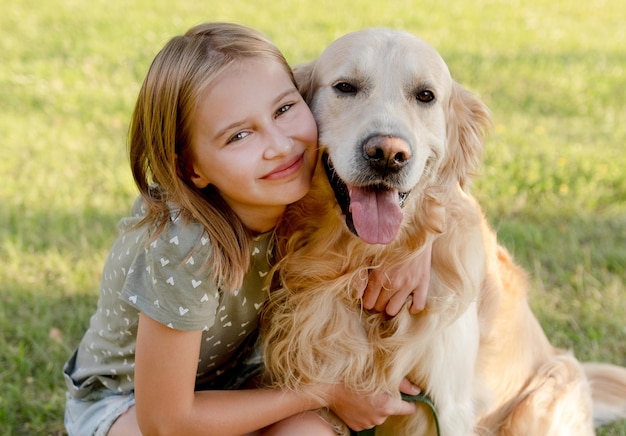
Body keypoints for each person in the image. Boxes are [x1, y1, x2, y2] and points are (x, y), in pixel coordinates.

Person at [63, 22, 431, 436]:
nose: (278, 145)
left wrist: (423, 249)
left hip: (241, 381)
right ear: (191, 167)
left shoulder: (305, 185)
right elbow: (166, 421)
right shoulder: (187, 243)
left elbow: (440, 183)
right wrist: (326, 392)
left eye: (284, 110)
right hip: (131, 404)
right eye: (239, 135)